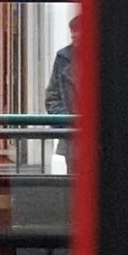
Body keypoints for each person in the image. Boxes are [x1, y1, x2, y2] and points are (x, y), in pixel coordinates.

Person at [42, 11, 82, 166]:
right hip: (73, 140)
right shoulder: (63, 58)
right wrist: (68, 123)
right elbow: (52, 97)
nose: (75, 40)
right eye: (73, 36)